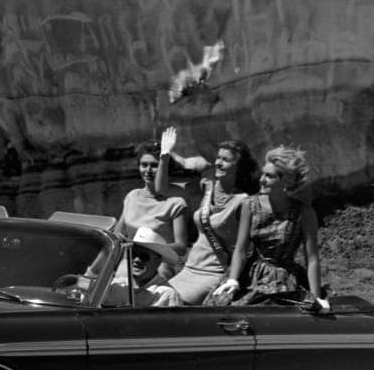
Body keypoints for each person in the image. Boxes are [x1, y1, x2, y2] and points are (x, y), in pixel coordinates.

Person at [209, 144, 331, 312]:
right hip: (251, 274)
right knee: (222, 307)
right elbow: (241, 249)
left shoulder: (304, 212)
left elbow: (312, 259)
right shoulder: (250, 205)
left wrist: (316, 295)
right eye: (262, 174)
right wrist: (233, 279)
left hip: (284, 277)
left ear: (285, 181)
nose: (261, 180)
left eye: (269, 176)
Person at [156, 127, 257, 305]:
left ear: (238, 167)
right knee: (153, 297)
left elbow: (243, 248)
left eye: (225, 160)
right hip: (189, 269)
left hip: (213, 274)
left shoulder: (243, 201)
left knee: (167, 302)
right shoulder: (207, 186)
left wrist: (233, 279)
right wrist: (164, 156)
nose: (218, 163)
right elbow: (162, 189)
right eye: (218, 158)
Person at [113, 138, 191, 267]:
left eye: (154, 166)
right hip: (130, 260)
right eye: (144, 165)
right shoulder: (132, 196)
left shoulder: (176, 202)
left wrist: (146, 248)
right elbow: (117, 235)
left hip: (160, 263)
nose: (148, 170)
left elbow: (181, 246)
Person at [104, 228, 182, 307]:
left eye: (144, 256)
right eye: (133, 254)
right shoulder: (117, 284)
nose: (137, 260)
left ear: (157, 261)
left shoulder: (165, 294)